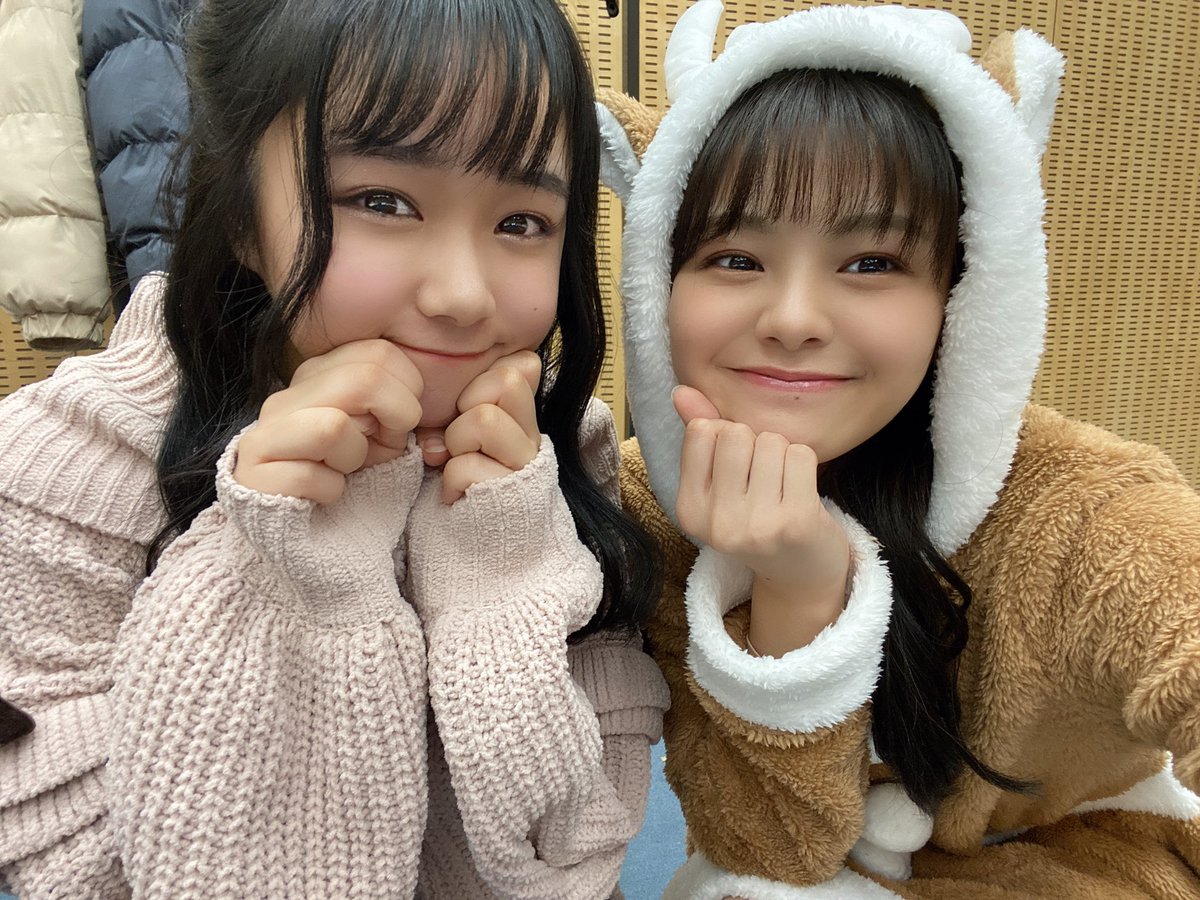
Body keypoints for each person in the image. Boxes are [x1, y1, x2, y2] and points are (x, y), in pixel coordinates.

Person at [0, 0, 669, 896]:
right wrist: (268, 575)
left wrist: (501, 578)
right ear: (240, 212)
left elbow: (579, 854)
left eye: (521, 222)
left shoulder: (556, 455)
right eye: (382, 202)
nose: (464, 295)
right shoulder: (70, 460)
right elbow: (80, 870)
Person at [598, 1, 1200, 897]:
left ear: (960, 291)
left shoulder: (1086, 515)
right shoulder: (650, 506)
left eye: (872, 262)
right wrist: (793, 595)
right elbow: (767, 851)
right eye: (735, 258)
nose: (793, 319)